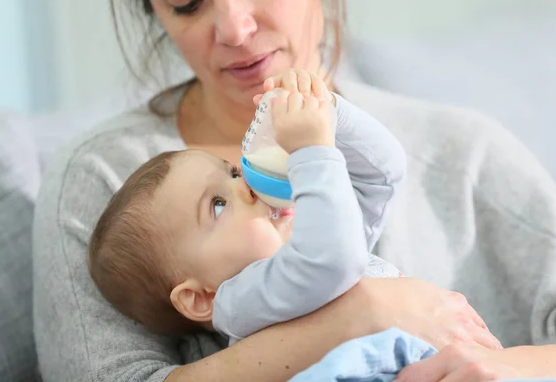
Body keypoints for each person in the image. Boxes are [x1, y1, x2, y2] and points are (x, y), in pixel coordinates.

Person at [32, 0, 556, 381]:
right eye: (187, 2)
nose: (235, 29)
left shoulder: (463, 148)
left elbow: (379, 178)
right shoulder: (107, 184)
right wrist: (363, 314)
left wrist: (506, 369)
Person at [87, 70, 405, 346]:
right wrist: (312, 149)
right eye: (218, 205)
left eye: (233, 172)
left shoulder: (324, 230)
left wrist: (327, 109)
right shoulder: (243, 302)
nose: (247, 188)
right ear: (201, 298)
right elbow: (333, 261)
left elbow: (382, 175)